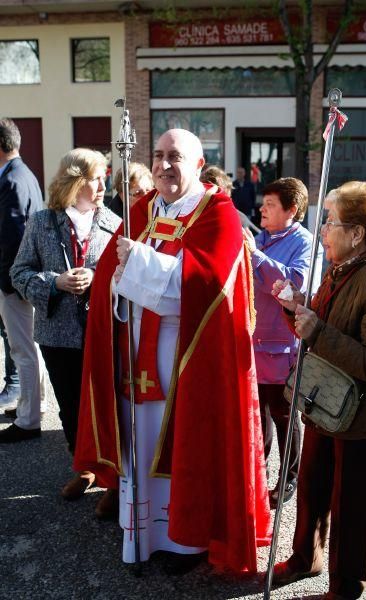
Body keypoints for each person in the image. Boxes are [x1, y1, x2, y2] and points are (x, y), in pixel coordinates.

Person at [74, 128, 271, 575]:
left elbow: (205, 284)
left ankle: (186, 540)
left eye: (175, 157)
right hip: (135, 349)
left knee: (186, 445)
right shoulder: (141, 208)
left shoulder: (218, 212)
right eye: (158, 155)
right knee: (140, 445)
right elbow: (108, 277)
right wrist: (117, 280)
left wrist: (137, 262)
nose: (163, 165)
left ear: (199, 165)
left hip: (185, 356)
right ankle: (143, 531)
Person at [271, 181, 366, 600]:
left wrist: (318, 330)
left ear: (358, 233)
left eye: (331, 221)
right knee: (312, 484)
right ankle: (306, 558)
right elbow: (324, 326)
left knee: (349, 504)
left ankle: (345, 589)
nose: (323, 229)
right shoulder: (341, 266)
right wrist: (297, 308)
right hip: (328, 405)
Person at [11, 148, 121, 509]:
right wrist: (55, 281)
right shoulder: (42, 222)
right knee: (71, 406)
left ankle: (114, 480)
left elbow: (127, 277)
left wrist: (98, 277)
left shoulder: (114, 224)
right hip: (57, 334)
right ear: (75, 180)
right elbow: (19, 272)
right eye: (96, 178)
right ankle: (84, 467)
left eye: (105, 177)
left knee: (107, 404)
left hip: (102, 332)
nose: (103, 185)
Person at [243, 178, 322, 508]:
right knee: (256, 416)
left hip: (281, 347)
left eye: (271, 204)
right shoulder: (261, 236)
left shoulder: (305, 243)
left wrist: (257, 259)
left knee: (284, 415)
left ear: (292, 210)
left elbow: (295, 292)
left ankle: (289, 478)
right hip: (251, 343)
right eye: (264, 202)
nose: (262, 208)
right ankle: (257, 476)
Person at [0, 118, 46, 442]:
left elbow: (13, 238)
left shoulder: (13, 180)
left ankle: (29, 420)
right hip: (23, 277)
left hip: (14, 280)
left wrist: (7, 282)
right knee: (29, 348)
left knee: (23, 349)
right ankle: (33, 405)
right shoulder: (22, 174)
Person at [200, 165, 260, 234]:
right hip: (236, 209)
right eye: (238, 172)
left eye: (241, 172)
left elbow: (253, 196)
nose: (239, 174)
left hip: (246, 210)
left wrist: (252, 208)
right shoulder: (233, 184)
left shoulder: (249, 184)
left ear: (244, 173)